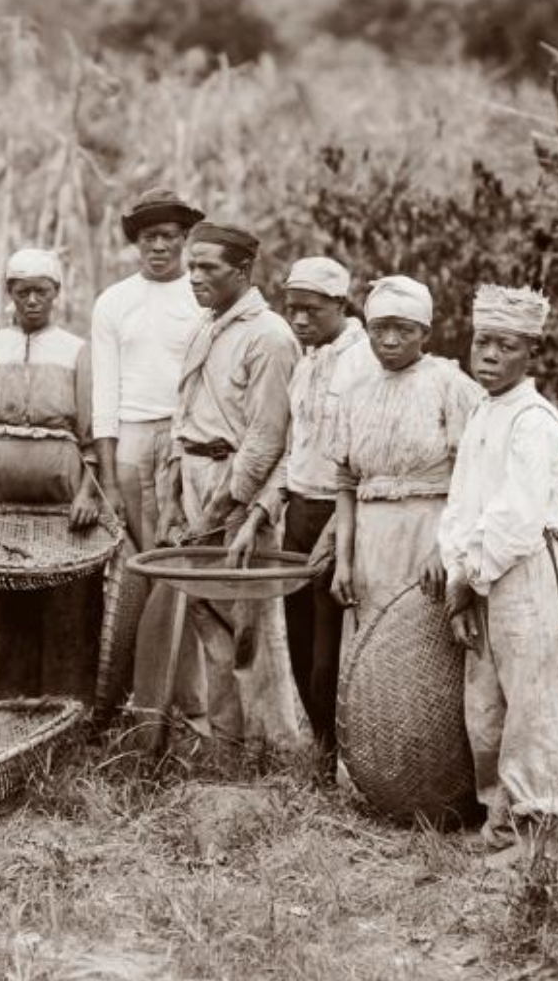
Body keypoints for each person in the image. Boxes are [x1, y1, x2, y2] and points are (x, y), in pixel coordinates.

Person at [156, 221, 309, 761]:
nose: (193, 276)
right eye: (191, 266)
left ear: (242, 272)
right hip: (197, 478)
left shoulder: (269, 336)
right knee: (207, 615)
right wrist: (174, 494)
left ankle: (274, 750)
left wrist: (226, 509)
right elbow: (184, 412)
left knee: (253, 623)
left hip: (241, 494)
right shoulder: (207, 325)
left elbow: (268, 437)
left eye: (207, 268)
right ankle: (227, 743)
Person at [433, 284, 558, 857]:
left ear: (529, 354)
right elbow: (462, 504)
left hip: (521, 573)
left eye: (504, 346)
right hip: (481, 571)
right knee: (484, 705)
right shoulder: (486, 412)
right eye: (481, 342)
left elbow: (517, 515)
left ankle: (540, 826)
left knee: (530, 705)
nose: (488, 355)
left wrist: (473, 573)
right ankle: (499, 820)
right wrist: (456, 570)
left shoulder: (535, 421)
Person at [0, 248, 106, 702]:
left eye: (42, 292)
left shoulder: (76, 351)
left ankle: (62, 706)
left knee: (65, 595)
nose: (32, 300)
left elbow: (92, 433)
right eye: (23, 291)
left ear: (56, 295)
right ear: (9, 293)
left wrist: (89, 492)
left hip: (61, 491)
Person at [232, 256, 379, 762]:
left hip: (341, 517)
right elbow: (293, 453)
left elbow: (363, 463)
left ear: (340, 304)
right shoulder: (307, 360)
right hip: (299, 512)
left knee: (330, 655)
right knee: (298, 645)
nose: (298, 320)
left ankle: (350, 760)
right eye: (291, 309)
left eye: (311, 310)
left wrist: (340, 532)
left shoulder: (365, 360)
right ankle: (321, 752)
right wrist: (259, 514)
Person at [327, 273, 484, 715]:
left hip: (429, 531)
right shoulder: (355, 392)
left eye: (404, 330)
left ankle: (435, 775)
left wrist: (445, 549)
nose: (390, 340)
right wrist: (344, 559)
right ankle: (371, 773)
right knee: (373, 653)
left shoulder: (450, 386)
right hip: (372, 540)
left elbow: (471, 478)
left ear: (425, 333)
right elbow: (345, 481)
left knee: (428, 652)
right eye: (379, 329)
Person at [92, 187, 208, 723]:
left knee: (184, 568)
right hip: (133, 440)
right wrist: (110, 477)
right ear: (135, 243)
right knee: (139, 569)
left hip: (190, 441)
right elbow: (105, 394)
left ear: (185, 240)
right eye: (148, 238)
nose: (158, 247)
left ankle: (191, 709)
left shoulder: (203, 296)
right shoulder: (114, 302)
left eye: (167, 237)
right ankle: (140, 705)